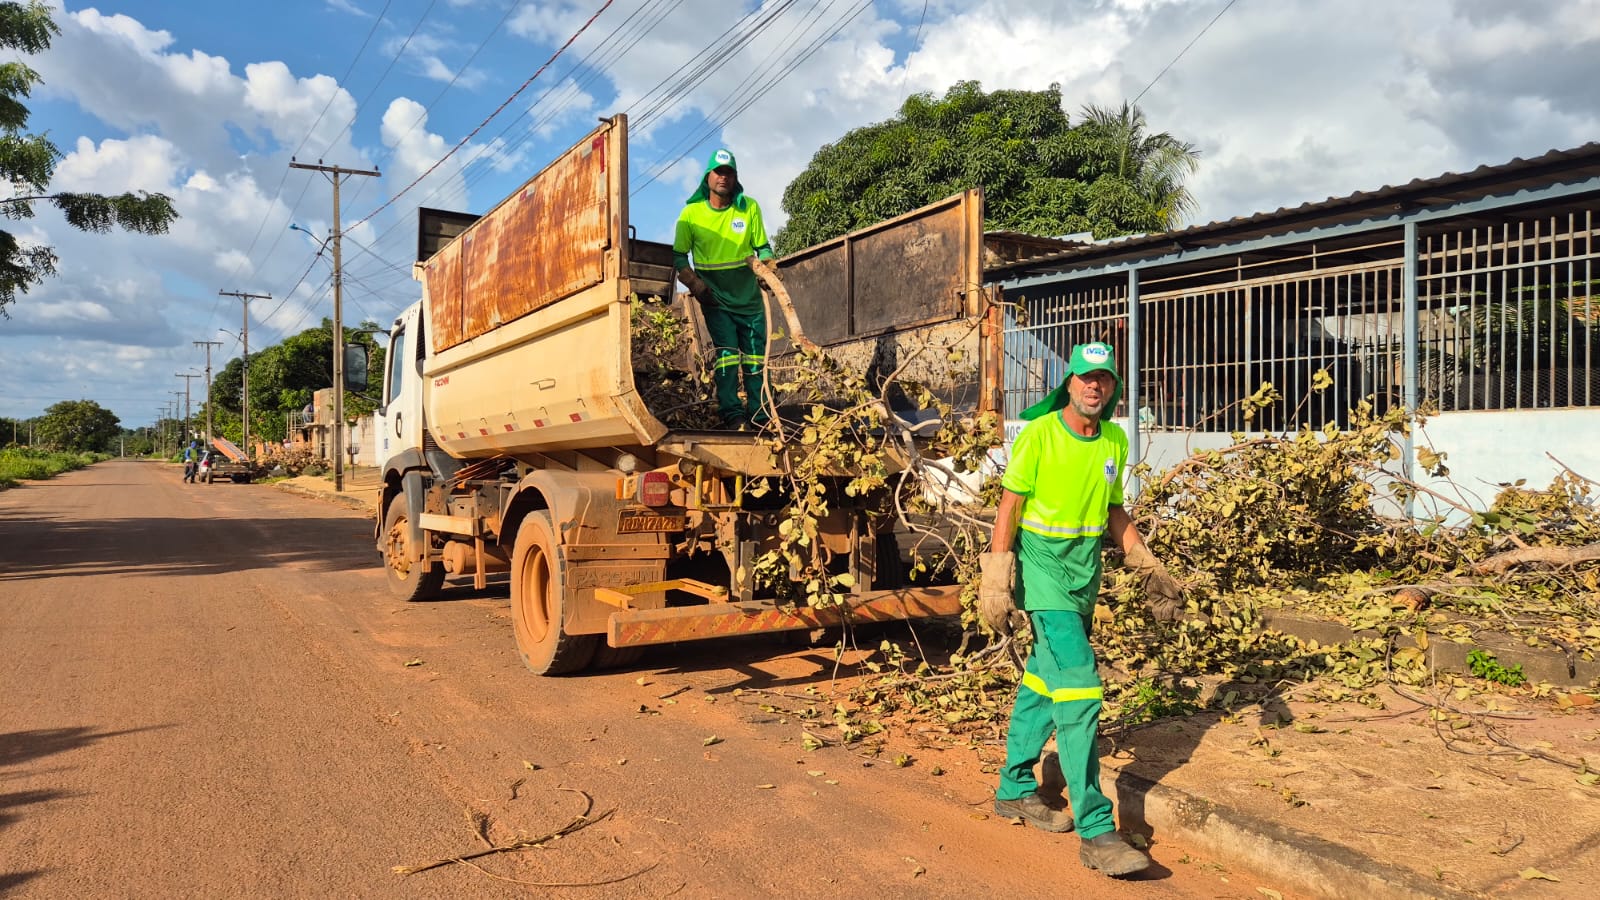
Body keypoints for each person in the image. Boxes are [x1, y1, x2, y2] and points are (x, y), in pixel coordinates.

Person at [978, 341, 1183, 878]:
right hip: (1043, 580)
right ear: (1068, 383)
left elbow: (1113, 510)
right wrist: (997, 577)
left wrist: (1147, 566)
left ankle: (1015, 787)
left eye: (1105, 379)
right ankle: (1096, 829)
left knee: (1044, 682)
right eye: (1085, 378)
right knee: (1081, 686)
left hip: (1082, 582)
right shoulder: (1041, 435)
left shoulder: (1114, 439)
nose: (1095, 387)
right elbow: (1010, 506)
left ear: (1114, 387)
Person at [672, 148, 777, 430]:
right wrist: (695, 284)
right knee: (728, 355)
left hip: (749, 299)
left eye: (728, 173)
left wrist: (768, 266)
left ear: (735, 178)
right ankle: (733, 415)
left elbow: (763, 246)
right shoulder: (691, 214)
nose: (723, 177)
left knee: (756, 358)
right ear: (707, 177)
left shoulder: (749, 207)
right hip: (716, 299)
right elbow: (679, 257)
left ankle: (761, 415)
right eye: (718, 172)